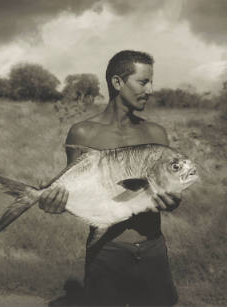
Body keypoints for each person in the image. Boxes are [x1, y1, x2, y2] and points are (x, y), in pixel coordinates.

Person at [39, 50, 180, 306]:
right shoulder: (83, 133)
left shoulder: (156, 134)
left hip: (152, 249)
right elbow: (76, 191)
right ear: (117, 83)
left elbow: (169, 192)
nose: (150, 89)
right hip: (106, 250)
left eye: (151, 82)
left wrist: (173, 202)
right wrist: (53, 202)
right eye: (143, 81)